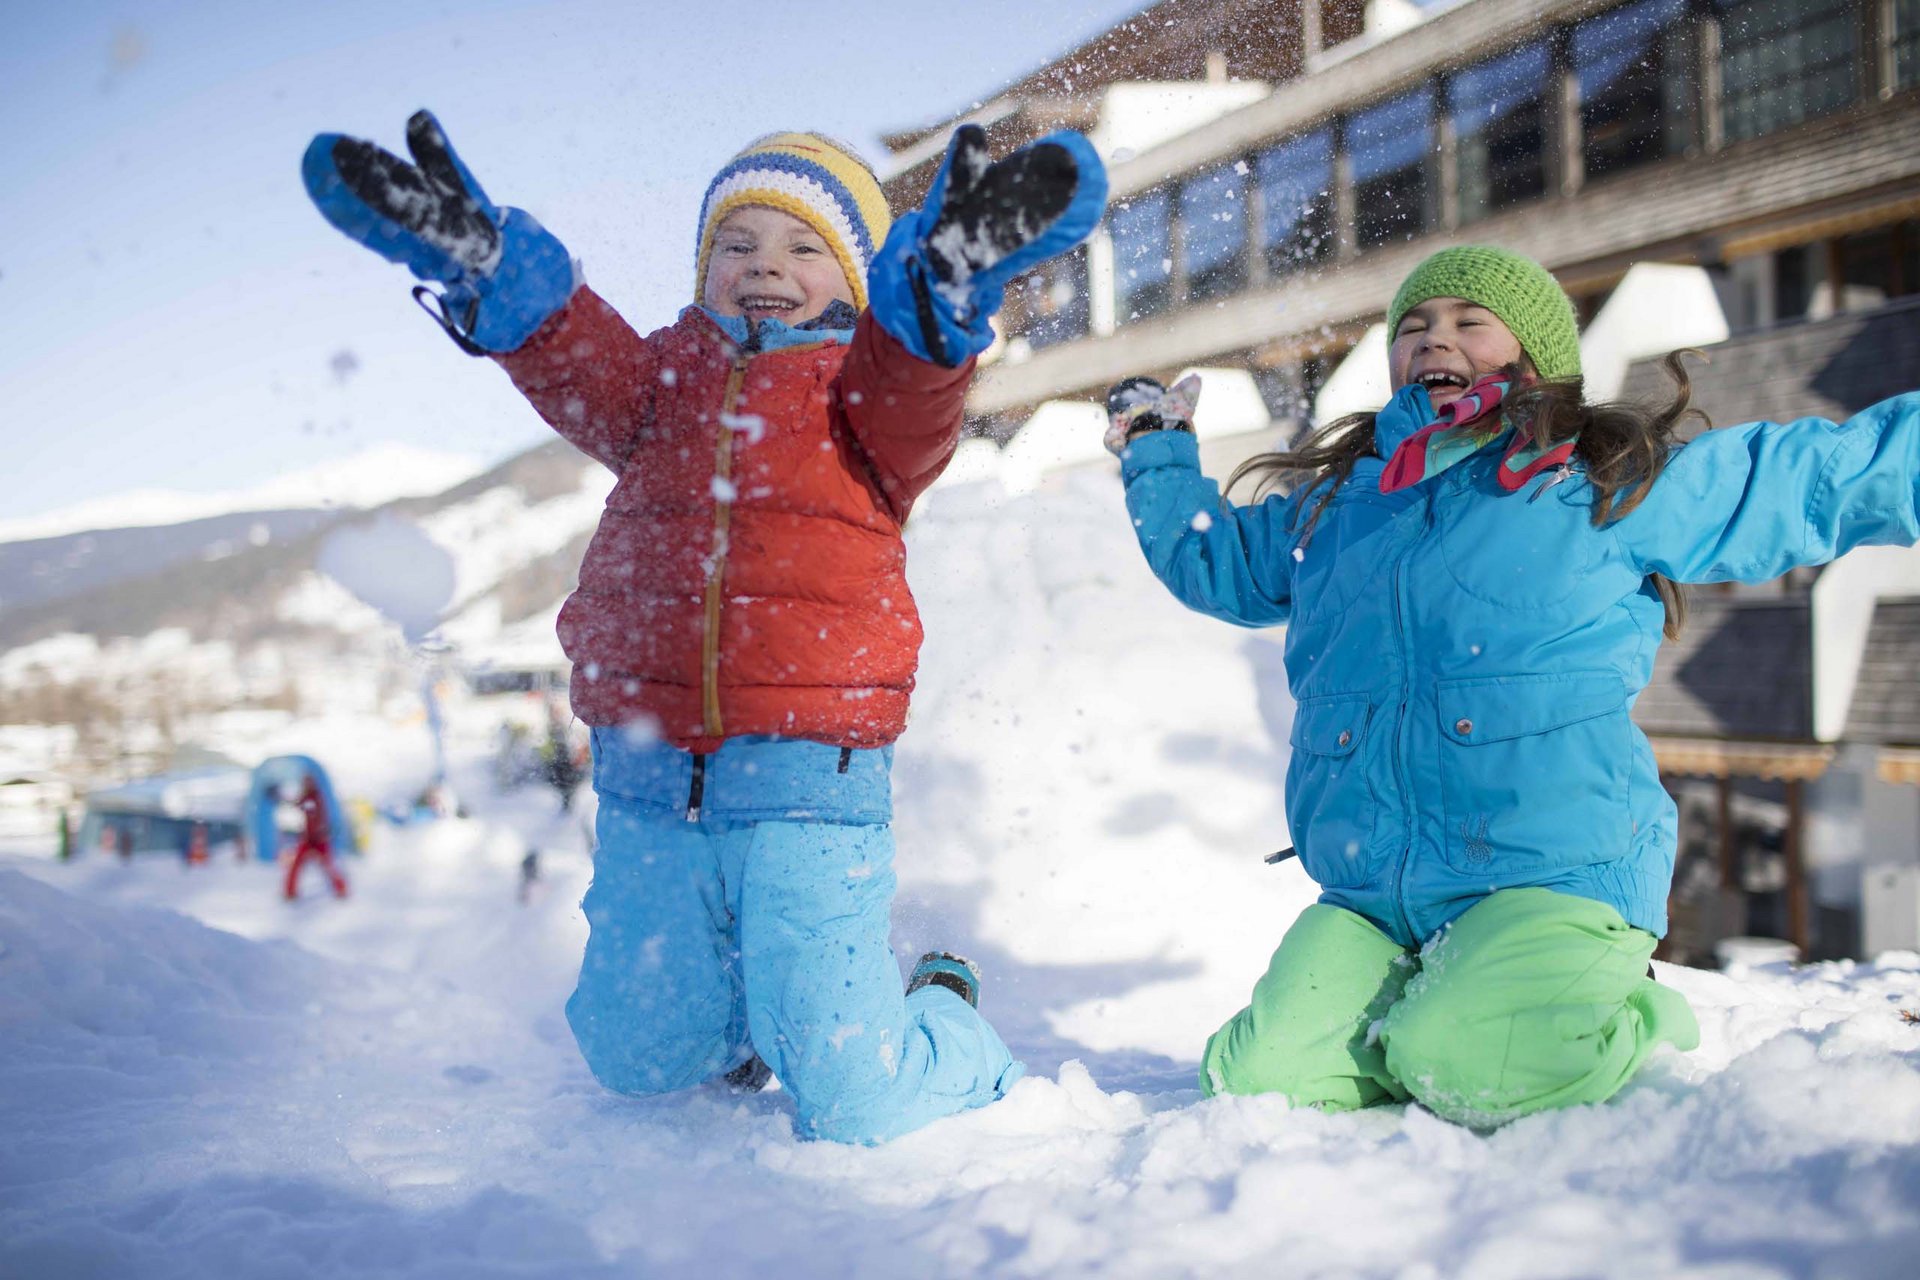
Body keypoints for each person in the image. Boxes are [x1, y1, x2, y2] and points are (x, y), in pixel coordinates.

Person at [303, 112, 1105, 1142]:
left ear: (859, 280)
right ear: (702, 267)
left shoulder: (867, 395)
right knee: (636, 1057)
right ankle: (740, 1025)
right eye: (737, 242)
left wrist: (940, 286)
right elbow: (564, 342)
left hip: (809, 786)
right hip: (648, 782)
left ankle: (942, 1015)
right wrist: (485, 260)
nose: (765, 264)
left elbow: (917, 372)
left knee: (852, 1095)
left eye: (805, 245)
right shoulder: (658, 386)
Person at [1106, 245, 1920, 1128]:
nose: (1432, 339)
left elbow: (1811, 478)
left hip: (1550, 877)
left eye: (1466, 321)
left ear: (1537, 354)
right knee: (1255, 1079)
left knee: (1461, 1061)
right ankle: (1443, 1006)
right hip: (1378, 899)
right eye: (1412, 327)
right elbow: (1210, 560)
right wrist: (1156, 450)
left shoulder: (1600, 483)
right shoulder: (1342, 509)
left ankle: (1614, 1009)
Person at [283, 776, 348, 902]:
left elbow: (316, 813)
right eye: (305, 782)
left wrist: (322, 832)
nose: (307, 784)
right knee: (296, 865)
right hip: (307, 839)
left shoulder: (317, 797)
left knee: (329, 866)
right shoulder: (306, 798)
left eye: (309, 782)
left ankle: (341, 889)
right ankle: (290, 892)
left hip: (319, 839)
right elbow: (295, 804)